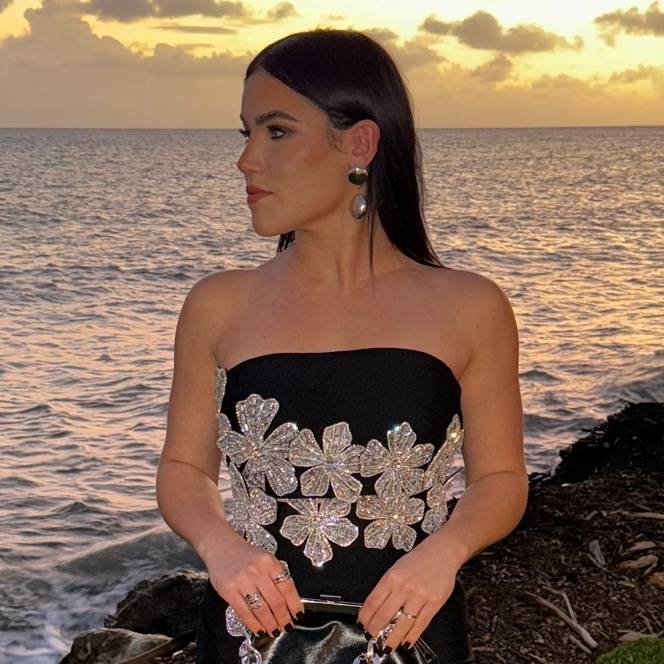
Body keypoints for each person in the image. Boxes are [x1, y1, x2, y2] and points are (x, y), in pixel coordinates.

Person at [156, 28, 528, 663]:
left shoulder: (471, 306)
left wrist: (443, 554)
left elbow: (500, 479)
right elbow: (184, 469)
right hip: (252, 639)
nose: (246, 160)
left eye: (276, 131)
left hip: (414, 634)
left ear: (359, 143)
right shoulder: (217, 305)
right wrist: (220, 548)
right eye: (246, 134)